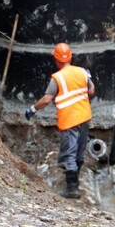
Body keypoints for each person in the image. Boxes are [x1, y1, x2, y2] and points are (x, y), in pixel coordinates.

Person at [24, 42, 95, 199]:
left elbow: (46, 99)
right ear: (70, 57)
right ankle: (75, 179)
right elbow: (91, 90)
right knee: (79, 150)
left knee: (69, 153)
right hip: (85, 116)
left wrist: (33, 109)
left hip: (70, 119)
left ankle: (72, 189)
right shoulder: (82, 72)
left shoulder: (57, 78)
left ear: (56, 59)